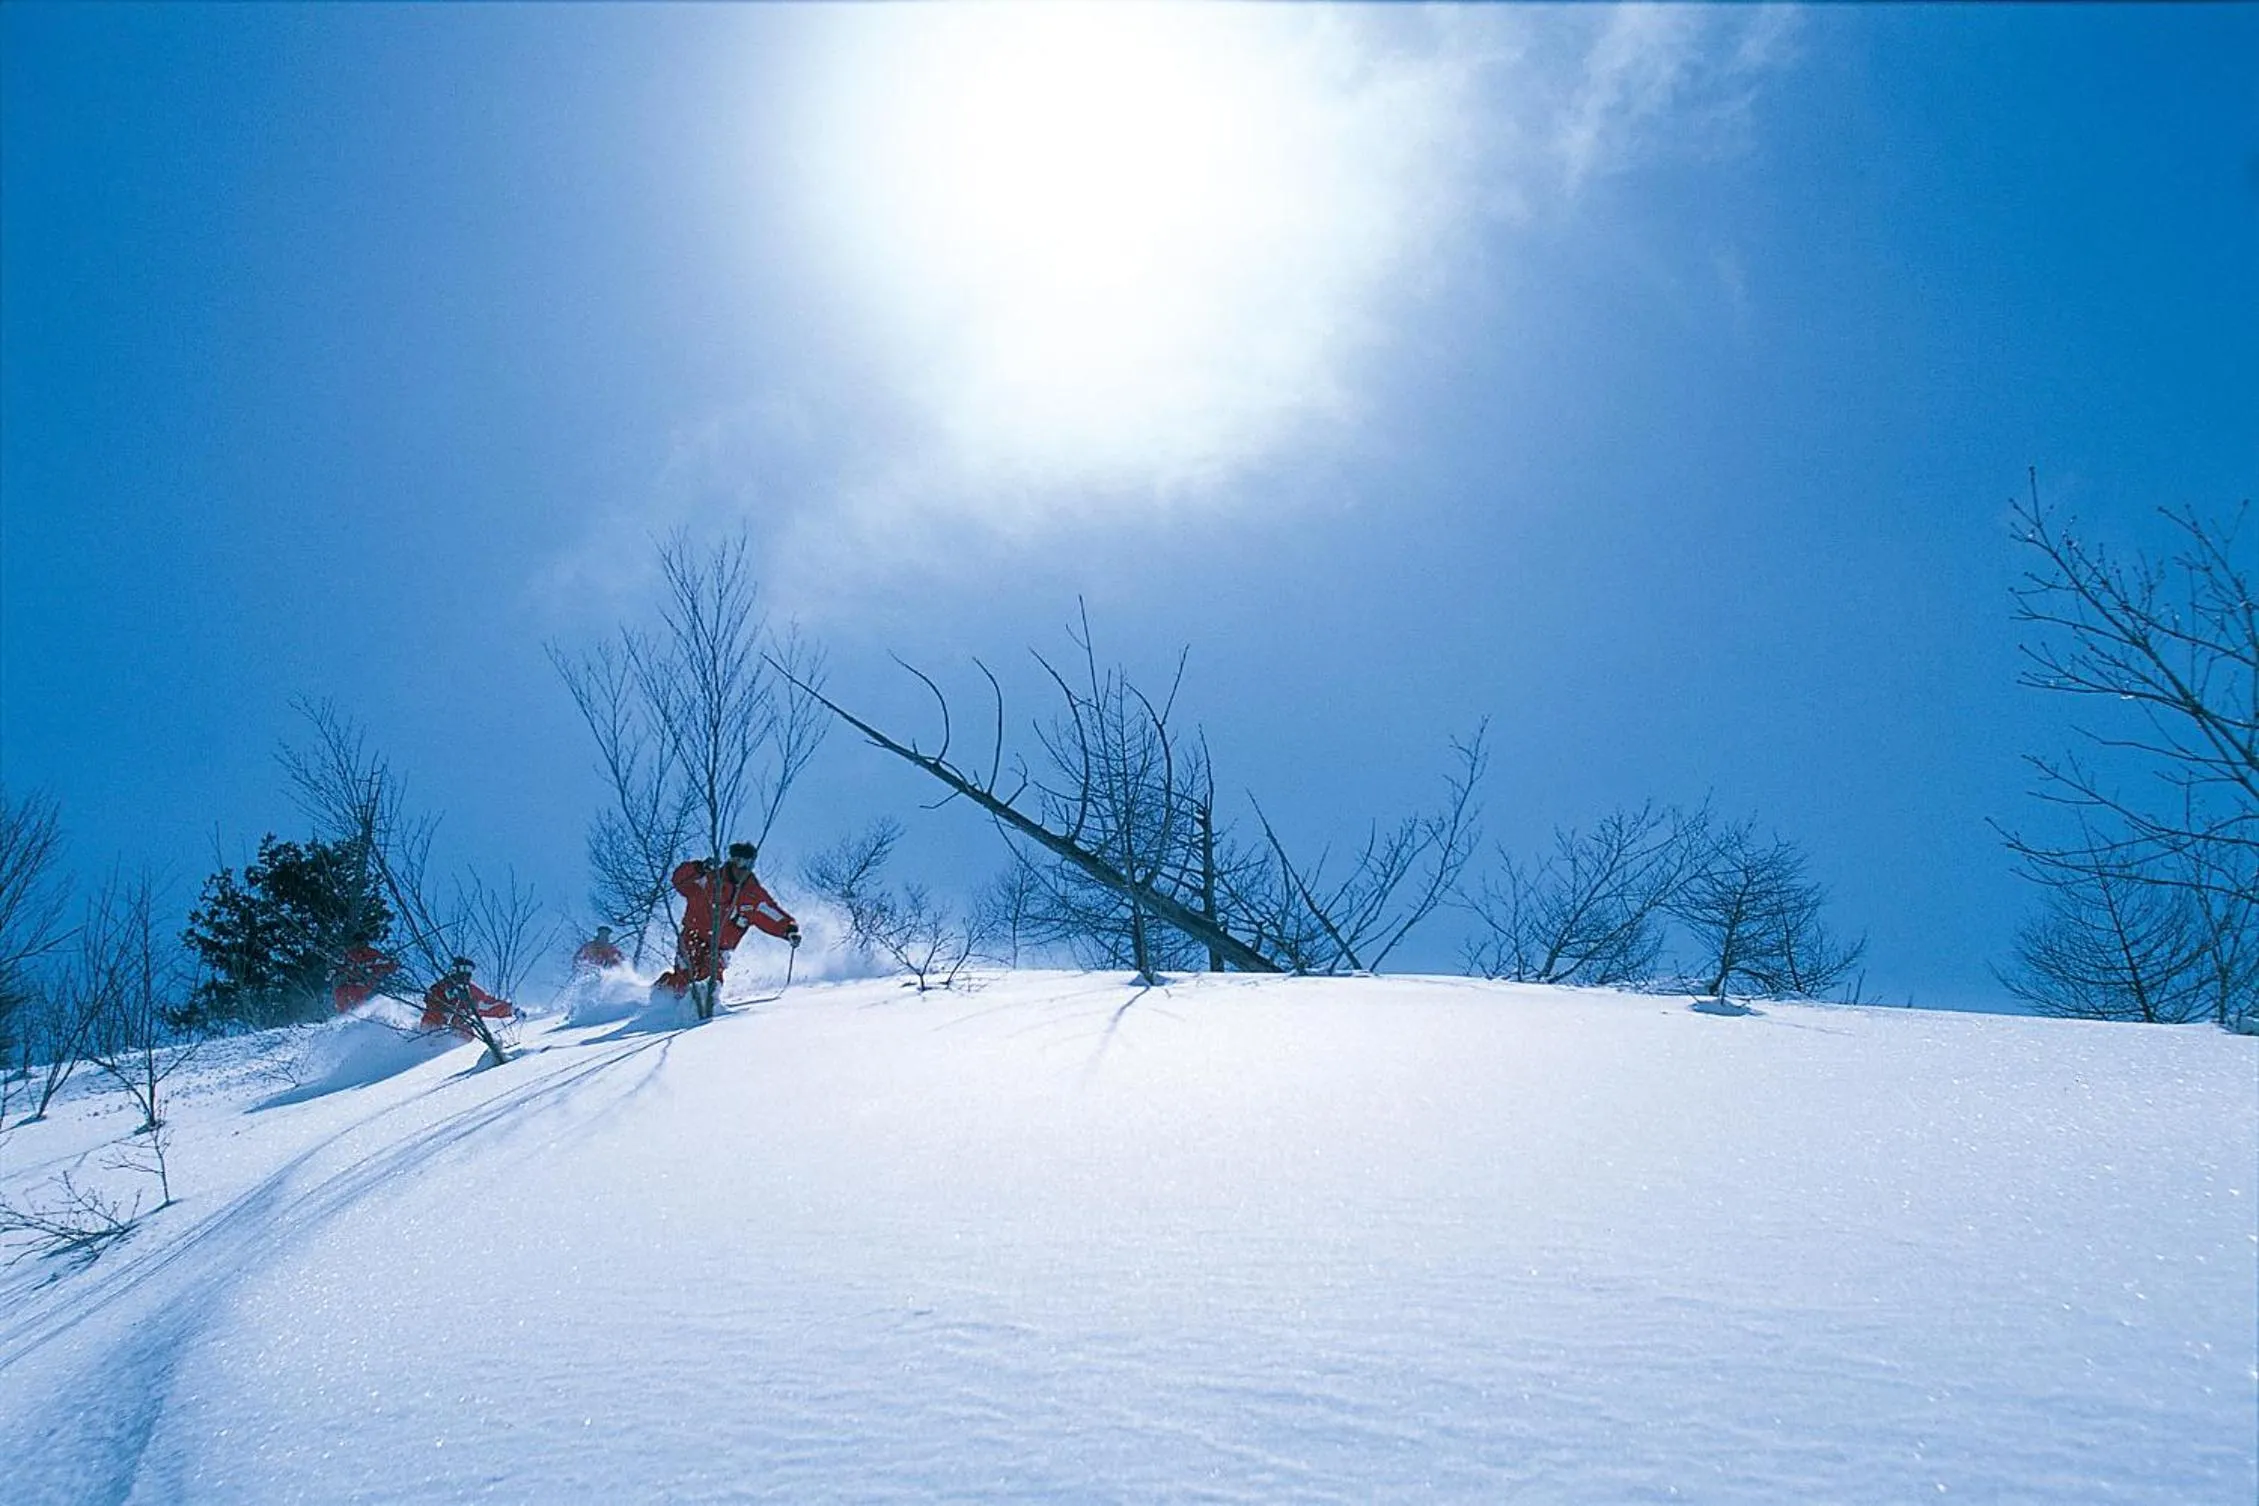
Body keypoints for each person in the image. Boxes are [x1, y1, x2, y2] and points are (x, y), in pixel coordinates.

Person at [655, 841, 799, 1012]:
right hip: (693, 937)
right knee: (685, 978)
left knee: (711, 978)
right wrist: (698, 868)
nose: (743, 869)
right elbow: (679, 880)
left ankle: (704, 1012)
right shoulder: (708, 879)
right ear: (732, 860)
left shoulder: (753, 894)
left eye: (749, 864)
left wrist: (788, 930)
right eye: (740, 862)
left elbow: (770, 913)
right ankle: (662, 997)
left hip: (719, 948)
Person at [421, 956, 515, 1036]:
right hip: (433, 1030)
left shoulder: (471, 990)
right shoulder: (439, 988)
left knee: (466, 1028)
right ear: (454, 971)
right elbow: (432, 1006)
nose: (467, 976)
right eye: (464, 971)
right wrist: (450, 1009)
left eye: (469, 972)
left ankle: (466, 1047)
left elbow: (487, 1003)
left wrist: (510, 1010)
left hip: (459, 1030)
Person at [331, 942, 399, 1013]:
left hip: (367, 982)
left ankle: (358, 1011)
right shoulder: (350, 955)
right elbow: (344, 967)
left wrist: (387, 964)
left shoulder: (372, 954)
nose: (357, 945)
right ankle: (344, 1012)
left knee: (355, 993)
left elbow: (388, 965)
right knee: (340, 991)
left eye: (360, 942)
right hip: (354, 983)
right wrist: (336, 971)